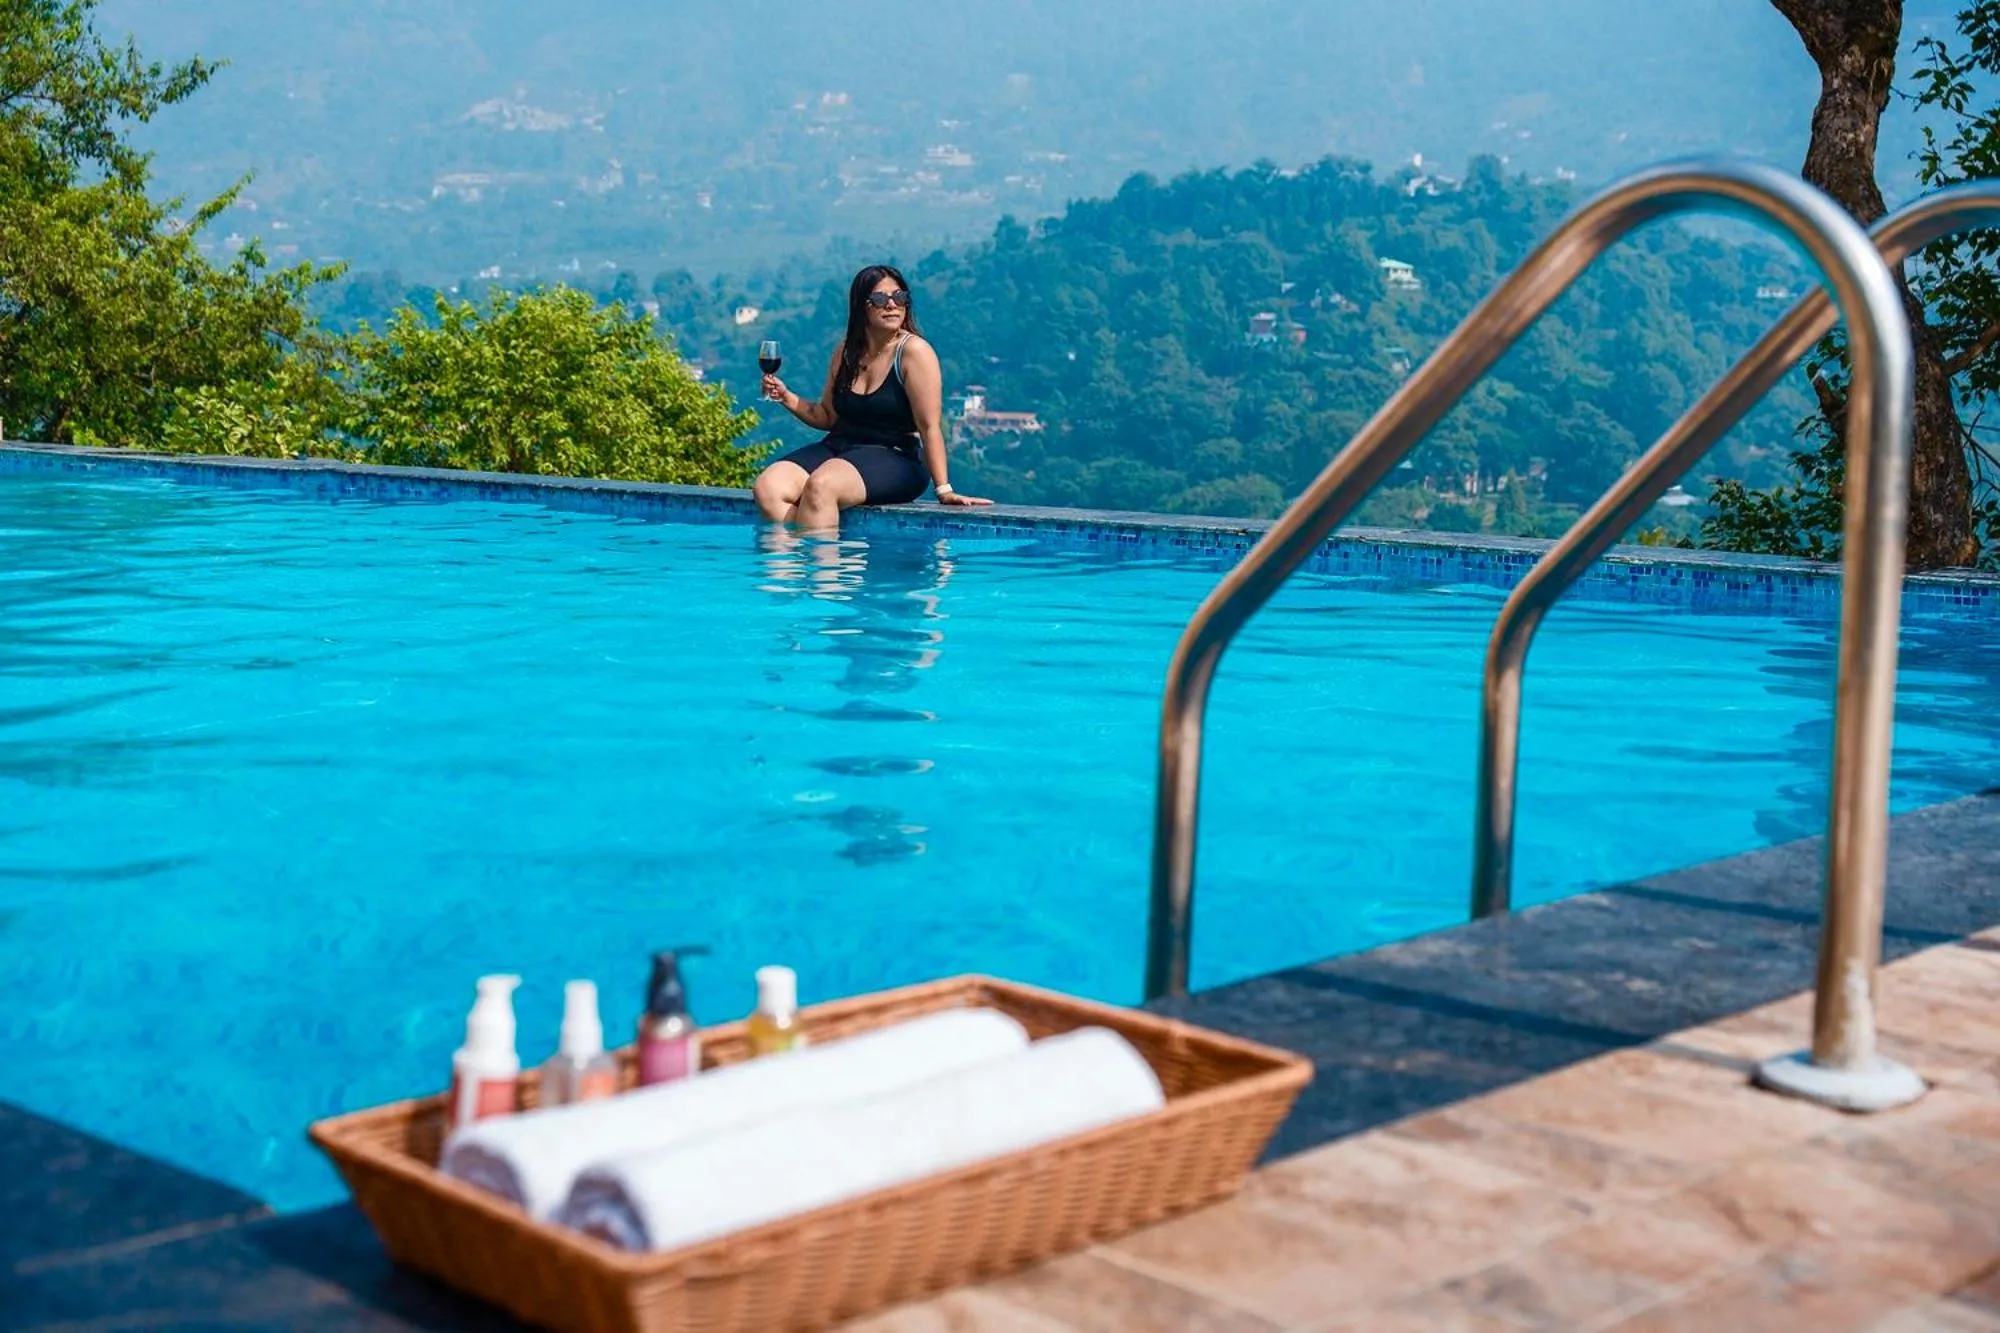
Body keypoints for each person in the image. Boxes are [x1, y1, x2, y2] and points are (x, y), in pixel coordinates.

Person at [753, 265, 991, 530]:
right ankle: (811, 556)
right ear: (861, 307)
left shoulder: (914, 352)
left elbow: (929, 426)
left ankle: (825, 567)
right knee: (768, 488)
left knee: (822, 486)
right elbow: (827, 416)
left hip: (896, 456)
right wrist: (786, 397)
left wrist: (944, 490)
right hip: (840, 447)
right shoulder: (845, 352)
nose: (892, 305)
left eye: (899, 297)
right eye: (880, 299)